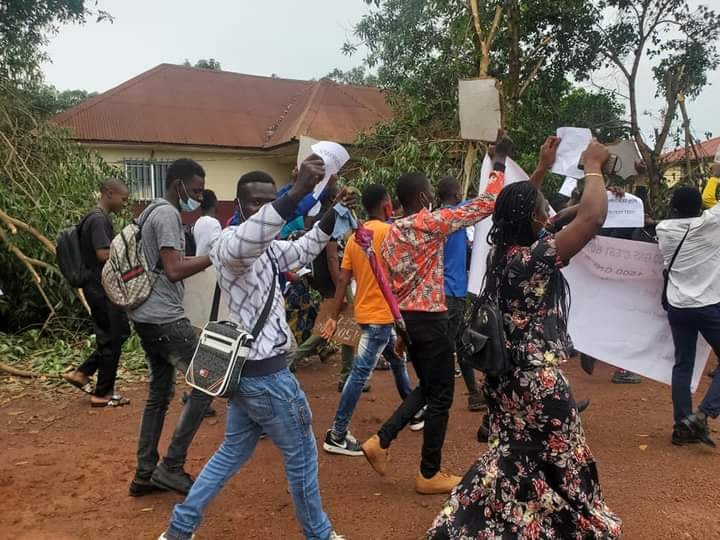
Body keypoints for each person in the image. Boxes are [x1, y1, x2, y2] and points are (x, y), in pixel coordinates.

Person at [427, 139, 622, 539]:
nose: (545, 216)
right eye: (541, 210)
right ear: (534, 219)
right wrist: (593, 167)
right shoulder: (532, 259)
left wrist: (541, 169)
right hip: (537, 383)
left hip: (504, 382)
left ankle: (473, 527)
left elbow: (532, 213)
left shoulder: (501, 253)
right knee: (560, 459)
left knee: (513, 456)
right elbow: (592, 220)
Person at [159, 159, 349, 540]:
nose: (264, 209)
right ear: (240, 205)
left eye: (269, 200)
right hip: (268, 378)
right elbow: (254, 235)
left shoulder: (267, 248)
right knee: (302, 457)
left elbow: (299, 251)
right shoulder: (229, 245)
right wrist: (295, 195)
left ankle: (178, 531)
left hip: (249, 375)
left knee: (230, 452)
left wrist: (332, 214)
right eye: (255, 202)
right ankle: (320, 536)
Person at [361, 130, 514, 495]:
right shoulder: (429, 224)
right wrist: (498, 162)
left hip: (411, 323)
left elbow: (393, 284)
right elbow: (486, 204)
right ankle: (428, 473)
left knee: (430, 387)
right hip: (432, 320)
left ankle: (381, 441)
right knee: (441, 395)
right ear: (425, 197)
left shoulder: (392, 233)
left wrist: (400, 330)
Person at [128, 159, 214, 498]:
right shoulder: (166, 215)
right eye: (194, 190)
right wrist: (214, 255)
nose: (197, 196)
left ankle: (145, 473)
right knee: (209, 379)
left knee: (159, 395)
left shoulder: (149, 211)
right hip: (165, 318)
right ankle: (172, 466)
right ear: (178, 185)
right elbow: (175, 269)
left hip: (146, 316)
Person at [320, 184, 414, 456]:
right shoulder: (391, 234)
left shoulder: (353, 239)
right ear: (387, 204)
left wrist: (333, 318)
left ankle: (413, 408)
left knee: (397, 361)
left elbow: (342, 282)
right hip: (381, 317)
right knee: (359, 375)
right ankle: (337, 433)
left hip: (365, 315)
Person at [657, 177, 720, 447]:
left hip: (678, 307)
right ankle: (703, 414)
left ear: (673, 208)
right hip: (708, 305)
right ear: (699, 208)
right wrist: (716, 174)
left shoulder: (663, 229)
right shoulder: (711, 225)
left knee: (683, 364)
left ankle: (681, 424)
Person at [63, 179, 131, 407]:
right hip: (102, 288)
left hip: (98, 287)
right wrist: (128, 252)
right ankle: (102, 394)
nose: (124, 203)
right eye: (123, 199)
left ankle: (82, 373)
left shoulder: (95, 217)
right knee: (113, 336)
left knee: (118, 333)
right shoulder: (99, 219)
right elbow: (103, 254)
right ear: (109, 193)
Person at [292, 186, 357, 391]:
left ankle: (292, 359)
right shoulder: (332, 219)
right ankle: (345, 377)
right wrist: (341, 286)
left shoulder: (324, 217)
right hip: (334, 280)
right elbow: (331, 255)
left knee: (337, 323)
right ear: (334, 198)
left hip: (325, 279)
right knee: (344, 324)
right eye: (350, 199)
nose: (353, 203)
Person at [437, 176, 485, 411]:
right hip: (454, 292)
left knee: (460, 343)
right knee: (448, 348)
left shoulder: (436, 219)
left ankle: (474, 394)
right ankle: (433, 400)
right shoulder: (458, 215)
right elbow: (485, 202)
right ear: (456, 195)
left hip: (443, 292)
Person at [192, 189, 221, 257]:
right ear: (215, 203)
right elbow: (217, 249)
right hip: (209, 265)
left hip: (199, 263)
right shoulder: (213, 222)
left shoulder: (198, 222)